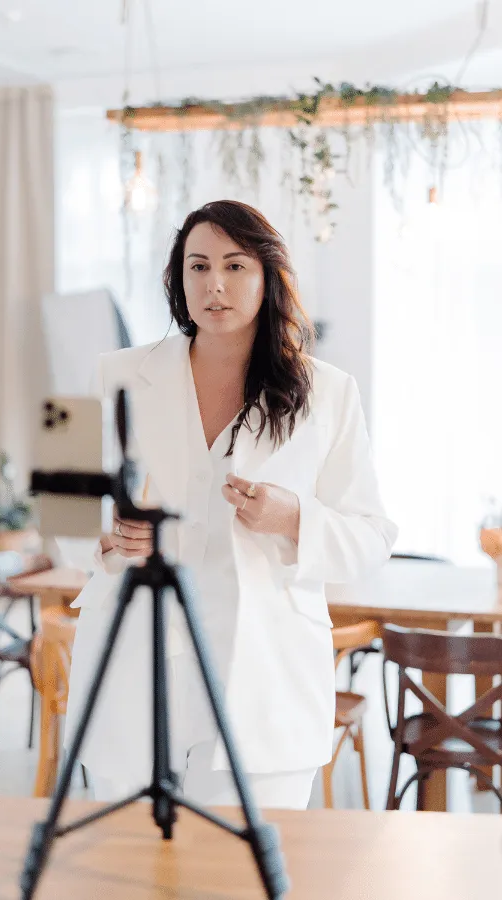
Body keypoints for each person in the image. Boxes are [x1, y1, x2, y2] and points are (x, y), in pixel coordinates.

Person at [65, 200, 397, 811]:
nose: (214, 284)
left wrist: (294, 518)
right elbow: (65, 516)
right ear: (177, 279)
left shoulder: (327, 393)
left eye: (235, 265)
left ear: (269, 276)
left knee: (241, 877)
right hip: (136, 668)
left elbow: (373, 536)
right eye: (197, 267)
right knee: (131, 869)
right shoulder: (116, 374)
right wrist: (106, 536)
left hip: (265, 680)